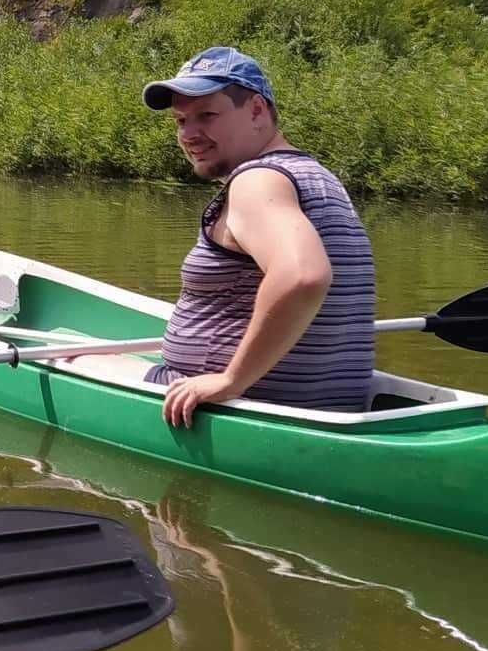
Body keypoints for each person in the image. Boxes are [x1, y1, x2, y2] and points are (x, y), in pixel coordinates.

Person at [140, 46, 375, 427]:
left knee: (71, 358)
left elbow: (302, 276)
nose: (189, 134)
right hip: (328, 412)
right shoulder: (319, 178)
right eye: (181, 120)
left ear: (255, 110)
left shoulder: (257, 181)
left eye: (207, 116)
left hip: (235, 415)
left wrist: (232, 381)